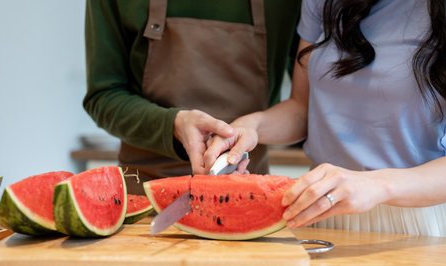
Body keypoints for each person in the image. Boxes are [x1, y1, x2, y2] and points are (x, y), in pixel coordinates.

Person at [202, 0, 446, 236]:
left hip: (416, 222)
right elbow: (301, 108)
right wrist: (251, 126)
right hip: (317, 211)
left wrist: (378, 185)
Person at [82, 0, 301, 194]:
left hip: (246, 185)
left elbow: (304, 106)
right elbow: (103, 96)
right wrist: (173, 125)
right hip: (145, 192)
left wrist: (247, 129)